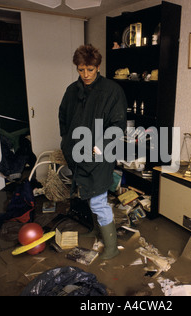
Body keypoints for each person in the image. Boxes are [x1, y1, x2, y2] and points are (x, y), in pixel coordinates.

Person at [58, 44, 127, 260]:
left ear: (98, 67)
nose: (85, 75)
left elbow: (117, 124)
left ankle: (112, 247)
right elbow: (63, 117)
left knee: (98, 199)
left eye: (90, 69)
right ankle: (98, 231)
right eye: (81, 70)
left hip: (100, 155)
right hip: (78, 153)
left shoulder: (112, 91)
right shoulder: (72, 90)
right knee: (88, 194)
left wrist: (98, 146)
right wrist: (68, 141)